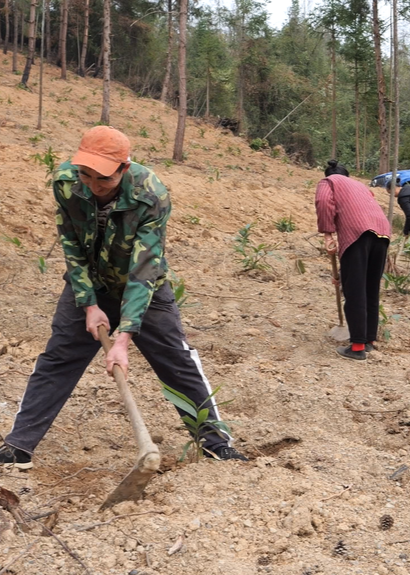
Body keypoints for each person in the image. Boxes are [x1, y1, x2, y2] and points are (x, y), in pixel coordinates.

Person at [0, 126, 247, 470]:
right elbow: (71, 244)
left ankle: (214, 442)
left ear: (124, 169)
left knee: (176, 360)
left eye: (103, 178)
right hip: (88, 283)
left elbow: (144, 267)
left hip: (144, 286)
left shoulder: (151, 193)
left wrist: (124, 336)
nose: (93, 184)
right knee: (58, 358)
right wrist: (88, 304)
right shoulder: (67, 183)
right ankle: (18, 446)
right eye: (86, 174)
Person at [316, 172, 391, 361]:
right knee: (370, 288)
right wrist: (342, 275)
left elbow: (324, 201)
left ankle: (357, 346)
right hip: (382, 231)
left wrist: (327, 233)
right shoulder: (359, 186)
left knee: (355, 291)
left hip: (357, 232)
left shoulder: (329, 181)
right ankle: (369, 340)